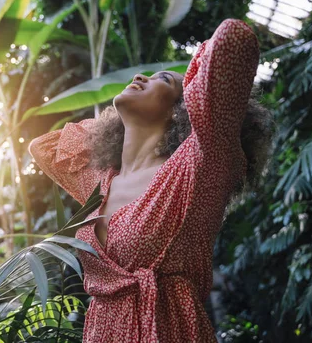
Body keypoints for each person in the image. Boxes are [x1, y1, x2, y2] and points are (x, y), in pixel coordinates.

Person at [29, 19, 273, 342]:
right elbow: (42, 148)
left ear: (183, 110)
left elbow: (235, 40)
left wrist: (192, 88)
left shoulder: (196, 167)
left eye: (163, 79)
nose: (139, 77)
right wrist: (114, 130)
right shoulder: (101, 182)